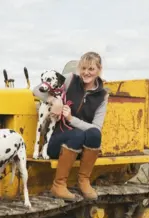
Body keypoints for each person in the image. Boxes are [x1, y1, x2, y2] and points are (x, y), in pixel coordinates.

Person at [33, 51, 108, 201]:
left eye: (91, 69)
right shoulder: (70, 80)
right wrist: (54, 100)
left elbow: (96, 128)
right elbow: (36, 90)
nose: (86, 73)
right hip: (57, 142)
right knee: (77, 134)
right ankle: (59, 184)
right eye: (83, 68)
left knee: (94, 134)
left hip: (82, 148)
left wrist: (71, 118)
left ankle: (84, 181)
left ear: (99, 70)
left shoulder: (103, 95)